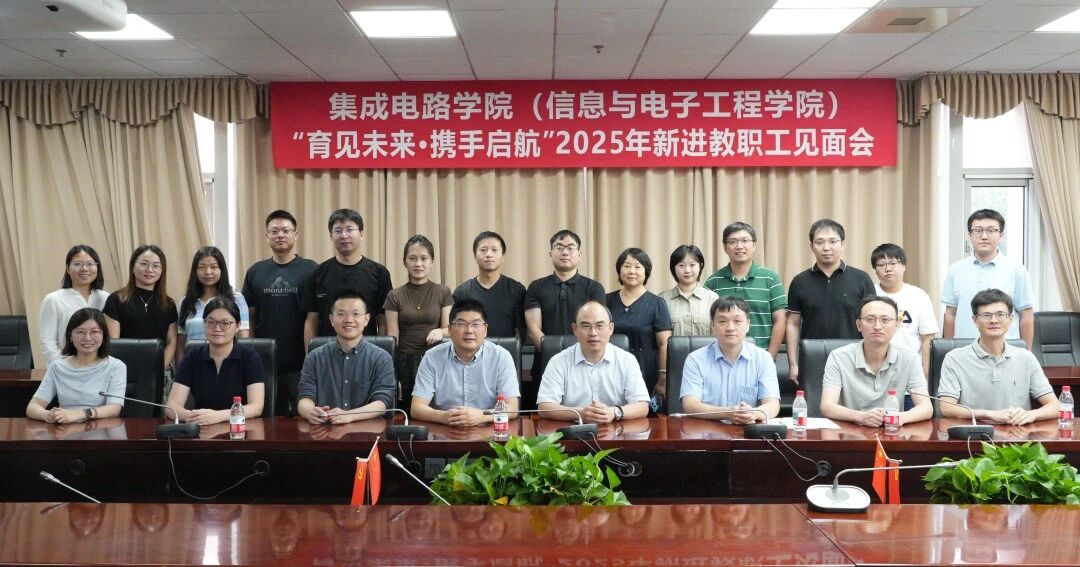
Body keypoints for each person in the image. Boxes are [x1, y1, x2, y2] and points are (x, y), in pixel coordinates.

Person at [938, 289, 1057, 425]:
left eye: (1000, 314)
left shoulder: (1026, 358)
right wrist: (990, 415)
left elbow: (1055, 405)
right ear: (975, 320)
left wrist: (1031, 415)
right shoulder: (954, 358)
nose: (994, 320)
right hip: (974, 434)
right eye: (986, 315)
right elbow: (946, 408)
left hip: (1017, 435)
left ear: (1010, 319)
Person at [242, 209, 318, 417]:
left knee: (305, 418)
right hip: (264, 361)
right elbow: (249, 318)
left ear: (296, 235)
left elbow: (314, 317)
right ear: (266, 235)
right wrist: (249, 353)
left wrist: (311, 358)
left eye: (286, 230)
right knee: (267, 419)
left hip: (301, 361)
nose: (280, 235)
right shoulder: (255, 271)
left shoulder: (311, 269)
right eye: (274, 231)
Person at [819, 296, 933, 428]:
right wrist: (861, 417)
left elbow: (926, 408)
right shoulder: (838, 357)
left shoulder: (909, 358)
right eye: (870, 319)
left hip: (891, 432)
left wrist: (899, 418)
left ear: (896, 325)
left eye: (885, 320)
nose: (877, 326)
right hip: (850, 432)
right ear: (859, 325)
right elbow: (827, 406)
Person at [786, 219, 876, 385]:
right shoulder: (799, 281)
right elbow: (793, 324)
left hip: (854, 357)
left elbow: (872, 321)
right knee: (814, 401)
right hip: (813, 356)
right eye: (820, 242)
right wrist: (793, 363)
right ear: (811, 246)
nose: (826, 247)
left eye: (833, 241)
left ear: (842, 244)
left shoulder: (861, 279)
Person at [524, 229, 606, 406]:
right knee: (545, 414)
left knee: (585, 412)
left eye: (570, 247)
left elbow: (597, 327)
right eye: (559, 247)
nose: (565, 252)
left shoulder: (594, 287)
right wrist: (557, 358)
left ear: (579, 254)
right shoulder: (536, 287)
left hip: (584, 363)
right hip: (545, 363)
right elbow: (533, 329)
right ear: (550, 253)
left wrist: (575, 356)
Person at [410, 299, 520, 426]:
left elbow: (512, 408)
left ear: (485, 330)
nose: (469, 330)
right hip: (446, 429)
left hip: (489, 430)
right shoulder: (432, 357)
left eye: (476, 324)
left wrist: (482, 416)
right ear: (450, 329)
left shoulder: (501, 357)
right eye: (461, 324)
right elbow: (416, 408)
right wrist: (444, 416)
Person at [536, 301, 649, 424]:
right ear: (575, 329)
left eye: (600, 325)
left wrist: (614, 412)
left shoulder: (627, 360)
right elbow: (544, 407)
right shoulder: (558, 362)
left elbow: (642, 406)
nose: (593, 333)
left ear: (611, 328)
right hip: (572, 431)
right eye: (585, 326)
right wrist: (580, 413)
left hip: (617, 430)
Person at [298, 292, 396, 425]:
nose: (348, 320)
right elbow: (304, 398)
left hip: (366, 431)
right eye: (341, 314)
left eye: (356, 314)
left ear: (366, 319)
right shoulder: (314, 358)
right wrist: (310, 412)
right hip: (324, 430)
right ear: (331, 320)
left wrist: (349, 415)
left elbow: (382, 404)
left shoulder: (382, 358)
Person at [942, 209, 1035, 347]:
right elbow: (950, 315)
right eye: (978, 230)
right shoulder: (956, 269)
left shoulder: (1016, 270)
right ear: (969, 235)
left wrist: (1026, 353)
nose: (984, 236)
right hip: (964, 350)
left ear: (1001, 235)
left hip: (1005, 350)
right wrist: (948, 350)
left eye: (991, 230)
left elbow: (1026, 315)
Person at [680, 297, 781, 423]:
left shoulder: (763, 358)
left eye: (737, 321)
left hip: (747, 430)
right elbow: (690, 405)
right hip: (707, 430)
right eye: (722, 321)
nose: (730, 328)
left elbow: (773, 405)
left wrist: (752, 414)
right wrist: (727, 413)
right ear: (713, 326)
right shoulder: (695, 359)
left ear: (748, 325)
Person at [167, 297, 265, 426]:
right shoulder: (192, 357)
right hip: (201, 428)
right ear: (204, 324)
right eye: (211, 322)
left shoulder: (250, 358)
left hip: (240, 429)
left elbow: (256, 407)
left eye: (225, 323)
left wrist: (218, 416)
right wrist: (199, 417)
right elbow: (172, 406)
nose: (217, 328)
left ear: (238, 326)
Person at [302, 208, 393, 346]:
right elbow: (311, 320)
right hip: (326, 351)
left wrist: (380, 353)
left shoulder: (380, 273)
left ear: (361, 234)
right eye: (338, 231)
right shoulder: (317, 273)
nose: (344, 236)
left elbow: (382, 320)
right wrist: (310, 355)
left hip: (367, 352)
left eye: (350, 230)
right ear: (331, 236)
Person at [102, 245, 178, 400]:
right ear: (132, 267)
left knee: (160, 413)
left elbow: (172, 341)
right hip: (124, 372)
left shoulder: (169, 304)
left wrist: (159, 368)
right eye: (144, 264)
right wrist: (130, 369)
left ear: (162, 270)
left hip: (160, 372)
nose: (150, 270)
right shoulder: (116, 299)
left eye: (156, 266)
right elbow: (114, 342)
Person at [385, 235, 453, 405]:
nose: (418, 264)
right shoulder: (394, 295)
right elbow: (392, 338)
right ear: (404, 262)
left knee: (435, 408)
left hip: (435, 359)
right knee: (408, 409)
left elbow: (450, 329)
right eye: (412, 258)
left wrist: (440, 331)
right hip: (404, 361)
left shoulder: (443, 292)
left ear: (432, 262)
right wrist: (394, 375)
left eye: (424, 258)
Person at [26, 308, 125, 423]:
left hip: (101, 428)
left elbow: (114, 408)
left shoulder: (116, 366)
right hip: (66, 428)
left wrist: (80, 414)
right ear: (70, 336)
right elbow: (32, 407)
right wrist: (48, 415)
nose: (87, 338)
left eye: (94, 332)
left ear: (104, 336)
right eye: (80, 332)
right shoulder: (57, 367)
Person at [705, 223, 787, 358]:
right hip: (722, 358)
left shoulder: (770, 278)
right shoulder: (713, 281)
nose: (739, 246)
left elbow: (780, 320)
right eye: (733, 242)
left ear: (754, 245)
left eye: (745, 241)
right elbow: (709, 323)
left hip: (762, 356)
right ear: (725, 247)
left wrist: (769, 357)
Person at [605, 248, 672, 401]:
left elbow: (664, 344)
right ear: (619, 270)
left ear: (646, 272)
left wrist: (662, 376)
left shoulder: (657, 303)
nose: (631, 271)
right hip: (611, 367)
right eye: (627, 266)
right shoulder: (606, 300)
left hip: (646, 369)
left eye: (637, 266)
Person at [871, 243, 939, 376]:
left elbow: (927, 339)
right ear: (875, 270)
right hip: (874, 370)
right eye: (882, 264)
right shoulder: (869, 293)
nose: (888, 268)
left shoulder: (919, 296)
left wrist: (925, 376)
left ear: (904, 266)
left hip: (909, 370)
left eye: (893, 263)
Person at [176, 246, 250, 361]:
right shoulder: (186, 302)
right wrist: (181, 368)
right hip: (193, 364)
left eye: (213, 267)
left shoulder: (236, 298)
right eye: (202, 267)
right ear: (195, 271)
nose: (207, 272)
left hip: (228, 363)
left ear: (222, 270)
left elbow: (243, 339)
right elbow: (181, 343)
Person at [39, 245, 110, 366]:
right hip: (65, 367)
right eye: (77, 264)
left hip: (100, 367)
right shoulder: (53, 299)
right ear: (68, 268)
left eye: (90, 264)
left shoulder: (106, 298)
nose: (84, 269)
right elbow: (48, 342)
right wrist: (64, 367)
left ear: (97, 268)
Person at [452, 231, 526, 338]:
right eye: (483, 250)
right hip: (472, 348)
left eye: (494, 250)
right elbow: (457, 329)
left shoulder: (516, 289)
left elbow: (520, 332)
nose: (488, 254)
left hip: (506, 348)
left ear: (503, 256)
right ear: (475, 256)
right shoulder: (462, 292)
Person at [659, 244, 718, 337]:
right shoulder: (663, 299)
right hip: (673, 347)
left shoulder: (712, 298)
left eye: (692, 265)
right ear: (673, 268)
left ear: (700, 266)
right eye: (681, 265)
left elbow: (718, 333)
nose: (687, 270)